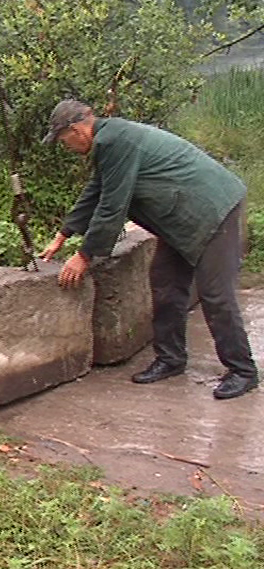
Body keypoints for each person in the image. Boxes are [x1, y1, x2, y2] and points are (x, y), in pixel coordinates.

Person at [39, 99, 258, 400]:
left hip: (212, 211)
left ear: (77, 130)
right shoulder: (109, 140)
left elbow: (112, 206)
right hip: (180, 218)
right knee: (166, 284)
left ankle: (242, 371)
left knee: (215, 294)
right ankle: (171, 359)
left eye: (63, 140)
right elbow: (96, 191)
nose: (65, 146)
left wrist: (84, 256)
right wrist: (62, 236)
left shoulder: (115, 140)